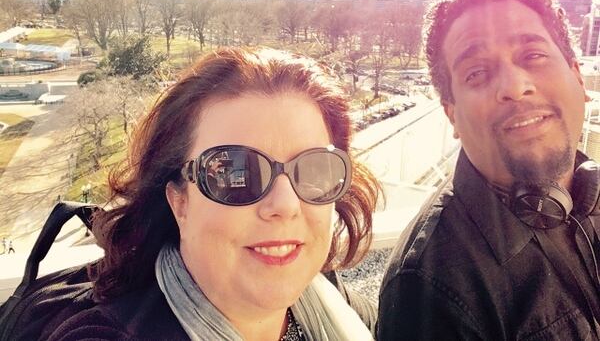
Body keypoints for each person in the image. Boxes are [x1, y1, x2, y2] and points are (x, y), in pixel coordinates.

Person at [49, 47, 381, 341]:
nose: (285, 204)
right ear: (179, 201)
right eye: (236, 173)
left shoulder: (347, 311)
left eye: (312, 168)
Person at [377, 0, 600, 340]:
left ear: (578, 77)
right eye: (477, 73)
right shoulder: (429, 287)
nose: (514, 86)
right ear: (452, 115)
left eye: (533, 55)